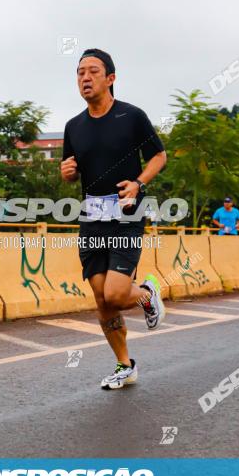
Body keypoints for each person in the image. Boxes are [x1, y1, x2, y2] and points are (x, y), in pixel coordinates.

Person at [60, 48, 167, 390]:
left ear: (110, 78)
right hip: (92, 215)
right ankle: (124, 365)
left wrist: (138, 183)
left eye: (93, 71)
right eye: (80, 72)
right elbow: (71, 174)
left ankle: (147, 296)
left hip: (125, 213)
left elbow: (159, 156)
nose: (85, 77)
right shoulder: (73, 126)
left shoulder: (131, 116)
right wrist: (66, 172)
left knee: (118, 294)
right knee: (101, 298)